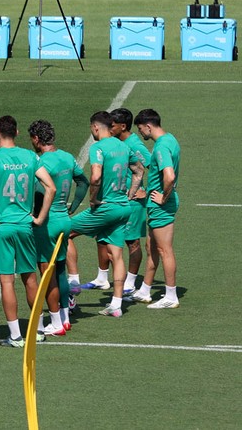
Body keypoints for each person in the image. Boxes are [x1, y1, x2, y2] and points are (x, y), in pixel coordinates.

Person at [0, 115, 56, 348]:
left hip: (2, 227)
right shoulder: (30, 156)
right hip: (25, 225)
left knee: (7, 281)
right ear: (17, 132)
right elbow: (51, 187)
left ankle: (15, 336)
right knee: (30, 278)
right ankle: (38, 330)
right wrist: (40, 218)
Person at [69, 111, 144, 318]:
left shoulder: (98, 147)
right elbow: (139, 171)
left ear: (95, 127)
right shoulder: (124, 146)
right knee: (116, 254)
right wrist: (130, 194)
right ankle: (116, 305)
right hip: (123, 207)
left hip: (106, 207)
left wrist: (93, 200)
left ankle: (72, 282)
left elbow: (95, 177)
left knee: (63, 231)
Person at [28, 120, 88, 336]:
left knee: (46, 273)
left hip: (48, 223)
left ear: (37, 139)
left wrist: (36, 216)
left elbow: (38, 193)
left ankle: (55, 322)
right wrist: (73, 205)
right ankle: (65, 318)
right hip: (64, 219)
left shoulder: (41, 162)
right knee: (61, 270)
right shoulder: (67, 157)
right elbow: (83, 182)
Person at [131, 108, 181, 309]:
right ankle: (145, 290)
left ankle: (171, 296)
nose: (140, 133)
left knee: (164, 249)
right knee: (151, 247)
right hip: (157, 204)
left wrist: (163, 197)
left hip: (161, 206)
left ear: (148, 126)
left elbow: (169, 176)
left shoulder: (161, 147)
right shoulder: (170, 139)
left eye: (140, 129)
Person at [111, 108, 150, 294]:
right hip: (119, 200)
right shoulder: (118, 142)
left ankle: (130, 282)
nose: (109, 128)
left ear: (123, 126)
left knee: (132, 242)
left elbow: (154, 165)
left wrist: (147, 191)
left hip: (133, 202)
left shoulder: (134, 144)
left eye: (112, 125)